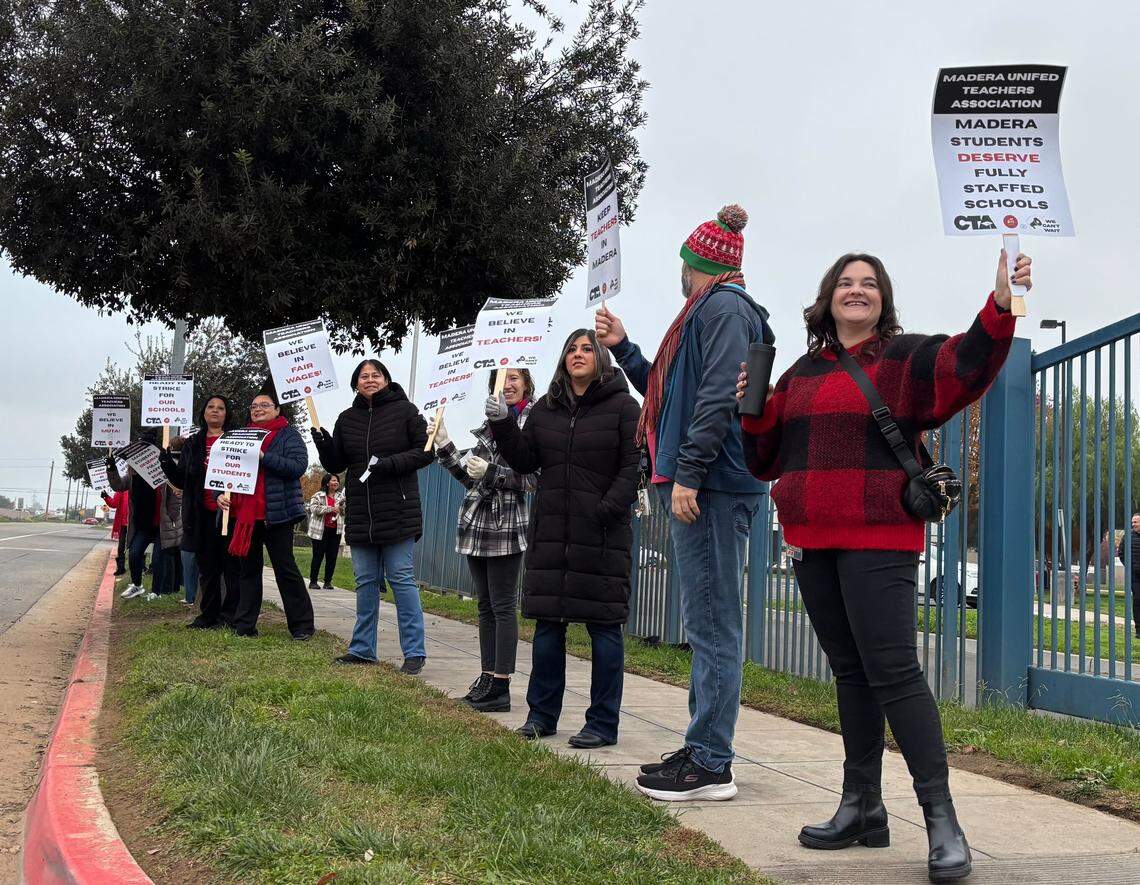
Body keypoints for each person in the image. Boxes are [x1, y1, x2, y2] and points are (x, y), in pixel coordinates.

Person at [736, 248, 1033, 882]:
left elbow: (965, 366)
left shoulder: (903, 358)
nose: (857, 291)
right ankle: (861, 805)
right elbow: (763, 461)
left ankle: (942, 819)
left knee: (893, 670)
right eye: (845, 283)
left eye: (869, 284)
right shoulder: (797, 373)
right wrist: (754, 408)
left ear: (883, 299)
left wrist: (1000, 306)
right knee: (849, 672)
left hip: (880, 535)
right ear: (826, 298)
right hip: (812, 538)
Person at [594, 205, 774, 799]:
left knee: (713, 621)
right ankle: (703, 745)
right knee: (704, 619)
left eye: (682, 261)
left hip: (713, 484)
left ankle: (711, 763)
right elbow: (672, 391)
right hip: (708, 480)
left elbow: (720, 392)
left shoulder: (721, 308)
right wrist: (625, 348)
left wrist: (690, 474)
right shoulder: (712, 309)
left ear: (694, 264)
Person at [488, 329, 640, 748]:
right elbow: (524, 459)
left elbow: (633, 466)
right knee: (548, 629)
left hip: (603, 536)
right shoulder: (544, 411)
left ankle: (602, 723)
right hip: (552, 534)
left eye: (587, 348)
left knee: (604, 630)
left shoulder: (625, 408)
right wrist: (502, 422)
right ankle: (541, 715)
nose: (578, 354)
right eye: (571, 349)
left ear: (601, 358)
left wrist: (605, 510)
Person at [312, 360, 433, 673]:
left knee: (400, 579)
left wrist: (390, 464)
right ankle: (363, 649)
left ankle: (415, 653)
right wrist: (323, 445)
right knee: (365, 582)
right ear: (356, 383)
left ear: (387, 379)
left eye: (375, 374)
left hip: (398, 511)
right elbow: (337, 462)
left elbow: (426, 452)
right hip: (362, 514)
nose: (369, 379)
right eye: (363, 376)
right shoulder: (346, 418)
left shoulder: (406, 411)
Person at [429, 368, 537, 712]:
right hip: (476, 525)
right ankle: (487, 676)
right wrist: (445, 445)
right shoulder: (487, 429)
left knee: (503, 606)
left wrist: (491, 472)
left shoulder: (531, 425)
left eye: (514, 378)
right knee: (485, 605)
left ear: (526, 385)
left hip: (506, 525)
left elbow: (533, 479)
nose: (506, 385)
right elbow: (468, 478)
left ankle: (501, 685)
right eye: (500, 381)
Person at [217, 390, 314, 640]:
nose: (257, 409)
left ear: (277, 409)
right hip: (245, 516)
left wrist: (263, 457)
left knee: (286, 569)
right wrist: (220, 493)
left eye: (264, 405)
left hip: (277, 514)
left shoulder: (288, 435)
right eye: (253, 406)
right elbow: (226, 469)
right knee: (248, 571)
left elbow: (297, 467)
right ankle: (245, 626)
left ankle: (302, 626)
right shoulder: (240, 436)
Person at [160, 395, 239, 628]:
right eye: (211, 407)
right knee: (208, 568)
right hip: (201, 514)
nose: (215, 411)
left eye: (221, 408)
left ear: (227, 413)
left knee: (232, 567)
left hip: (230, 514)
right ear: (203, 413)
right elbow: (182, 480)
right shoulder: (193, 444)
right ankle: (208, 615)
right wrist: (166, 464)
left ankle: (231, 615)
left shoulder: (236, 440)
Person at [108, 429, 167, 600]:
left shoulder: (163, 468)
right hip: (143, 525)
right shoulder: (133, 475)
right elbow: (118, 485)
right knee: (134, 554)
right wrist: (111, 466)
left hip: (161, 525)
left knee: (157, 559)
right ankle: (137, 585)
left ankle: (156, 592)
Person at [306, 474, 345, 589]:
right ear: (327, 483)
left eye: (337, 481)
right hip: (320, 531)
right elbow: (313, 509)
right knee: (318, 556)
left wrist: (342, 508)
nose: (336, 482)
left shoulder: (340, 497)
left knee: (332, 557)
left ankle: (328, 582)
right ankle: (313, 581)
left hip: (335, 531)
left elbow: (344, 511)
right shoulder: (318, 495)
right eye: (333, 480)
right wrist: (330, 509)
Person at [1119, 514, 1140, 639]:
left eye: (1135, 522)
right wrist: (1131, 566)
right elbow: (1121, 553)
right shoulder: (1128, 536)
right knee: (1137, 601)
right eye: (1132, 522)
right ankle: (1138, 629)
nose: (1133, 524)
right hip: (1135, 576)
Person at [101, 487, 129, 575]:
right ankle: (121, 568)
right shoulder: (121, 489)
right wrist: (106, 497)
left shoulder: (139, 486)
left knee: (136, 546)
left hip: (135, 523)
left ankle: (141, 567)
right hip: (124, 524)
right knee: (121, 547)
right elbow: (114, 503)